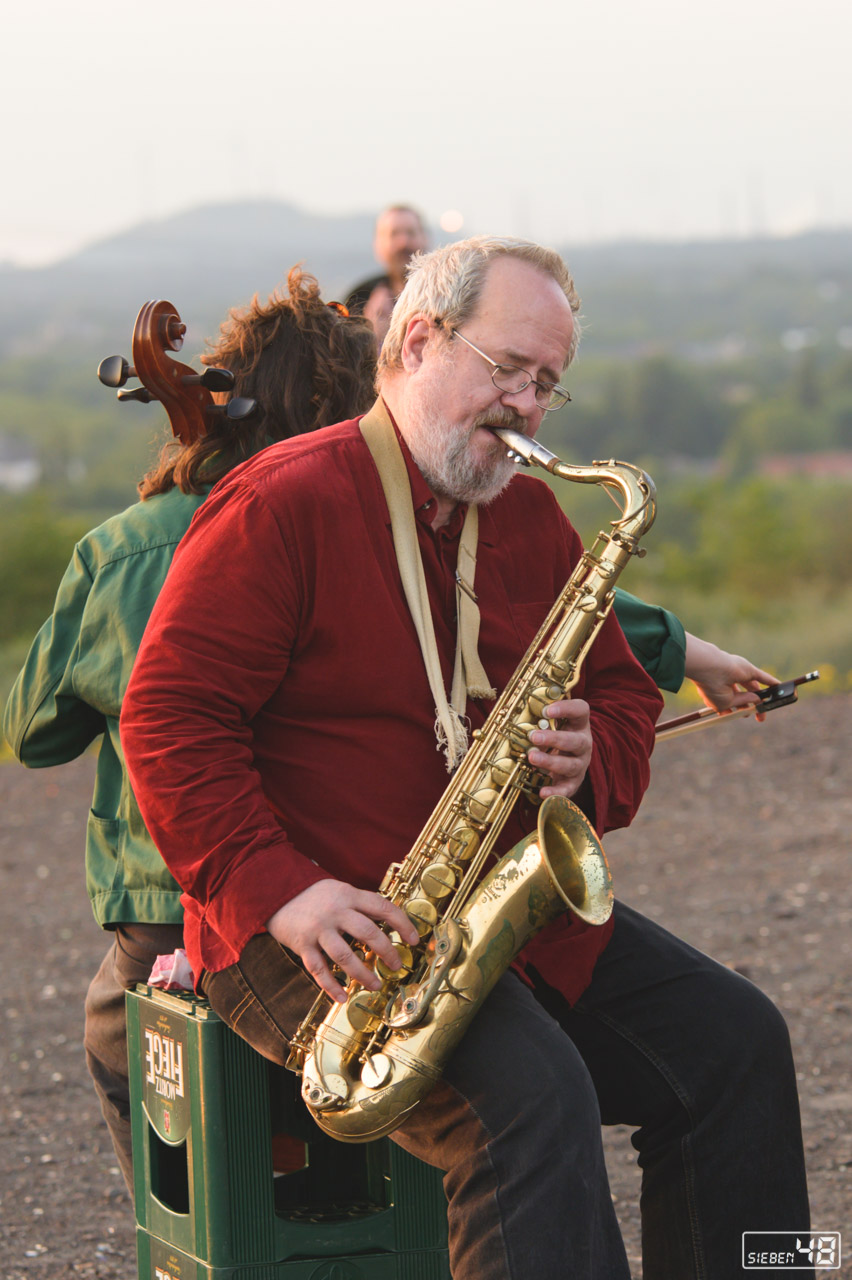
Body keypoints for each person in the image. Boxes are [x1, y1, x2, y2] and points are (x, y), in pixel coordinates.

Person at [120, 237, 810, 1280]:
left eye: (547, 385)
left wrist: (593, 759)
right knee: (530, 1103)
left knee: (740, 1043)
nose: (528, 405)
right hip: (314, 934)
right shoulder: (281, 503)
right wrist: (288, 893)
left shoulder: (526, 513)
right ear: (418, 339)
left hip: (489, 911)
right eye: (508, 369)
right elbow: (169, 717)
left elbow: (622, 689)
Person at [1, 270, 378, 1192]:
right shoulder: (367, 525)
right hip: (342, 888)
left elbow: (35, 729)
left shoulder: (131, 546)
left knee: (116, 1040)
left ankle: (191, 1231)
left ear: (223, 400)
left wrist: (121, 564)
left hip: (166, 897)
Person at [345, 204, 429, 347]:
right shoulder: (359, 298)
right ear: (378, 246)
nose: (403, 242)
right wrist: (371, 336)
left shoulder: (446, 294)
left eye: (411, 233)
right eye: (394, 234)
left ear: (425, 239)